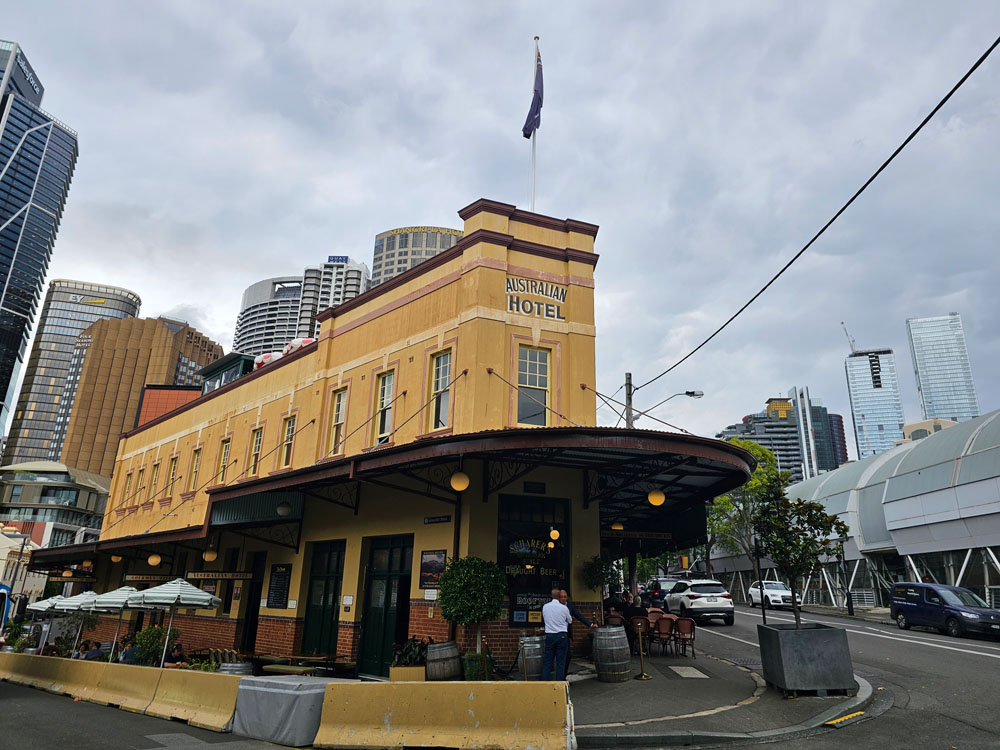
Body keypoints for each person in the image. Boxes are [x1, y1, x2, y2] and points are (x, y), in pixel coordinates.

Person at [541, 588, 572, 681]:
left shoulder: (545, 607)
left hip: (550, 635)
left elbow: (544, 618)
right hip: (561, 635)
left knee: (547, 662)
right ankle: (559, 684)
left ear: (551, 596)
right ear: (559, 597)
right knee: (560, 662)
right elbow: (570, 620)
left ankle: (544, 684)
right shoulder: (564, 608)